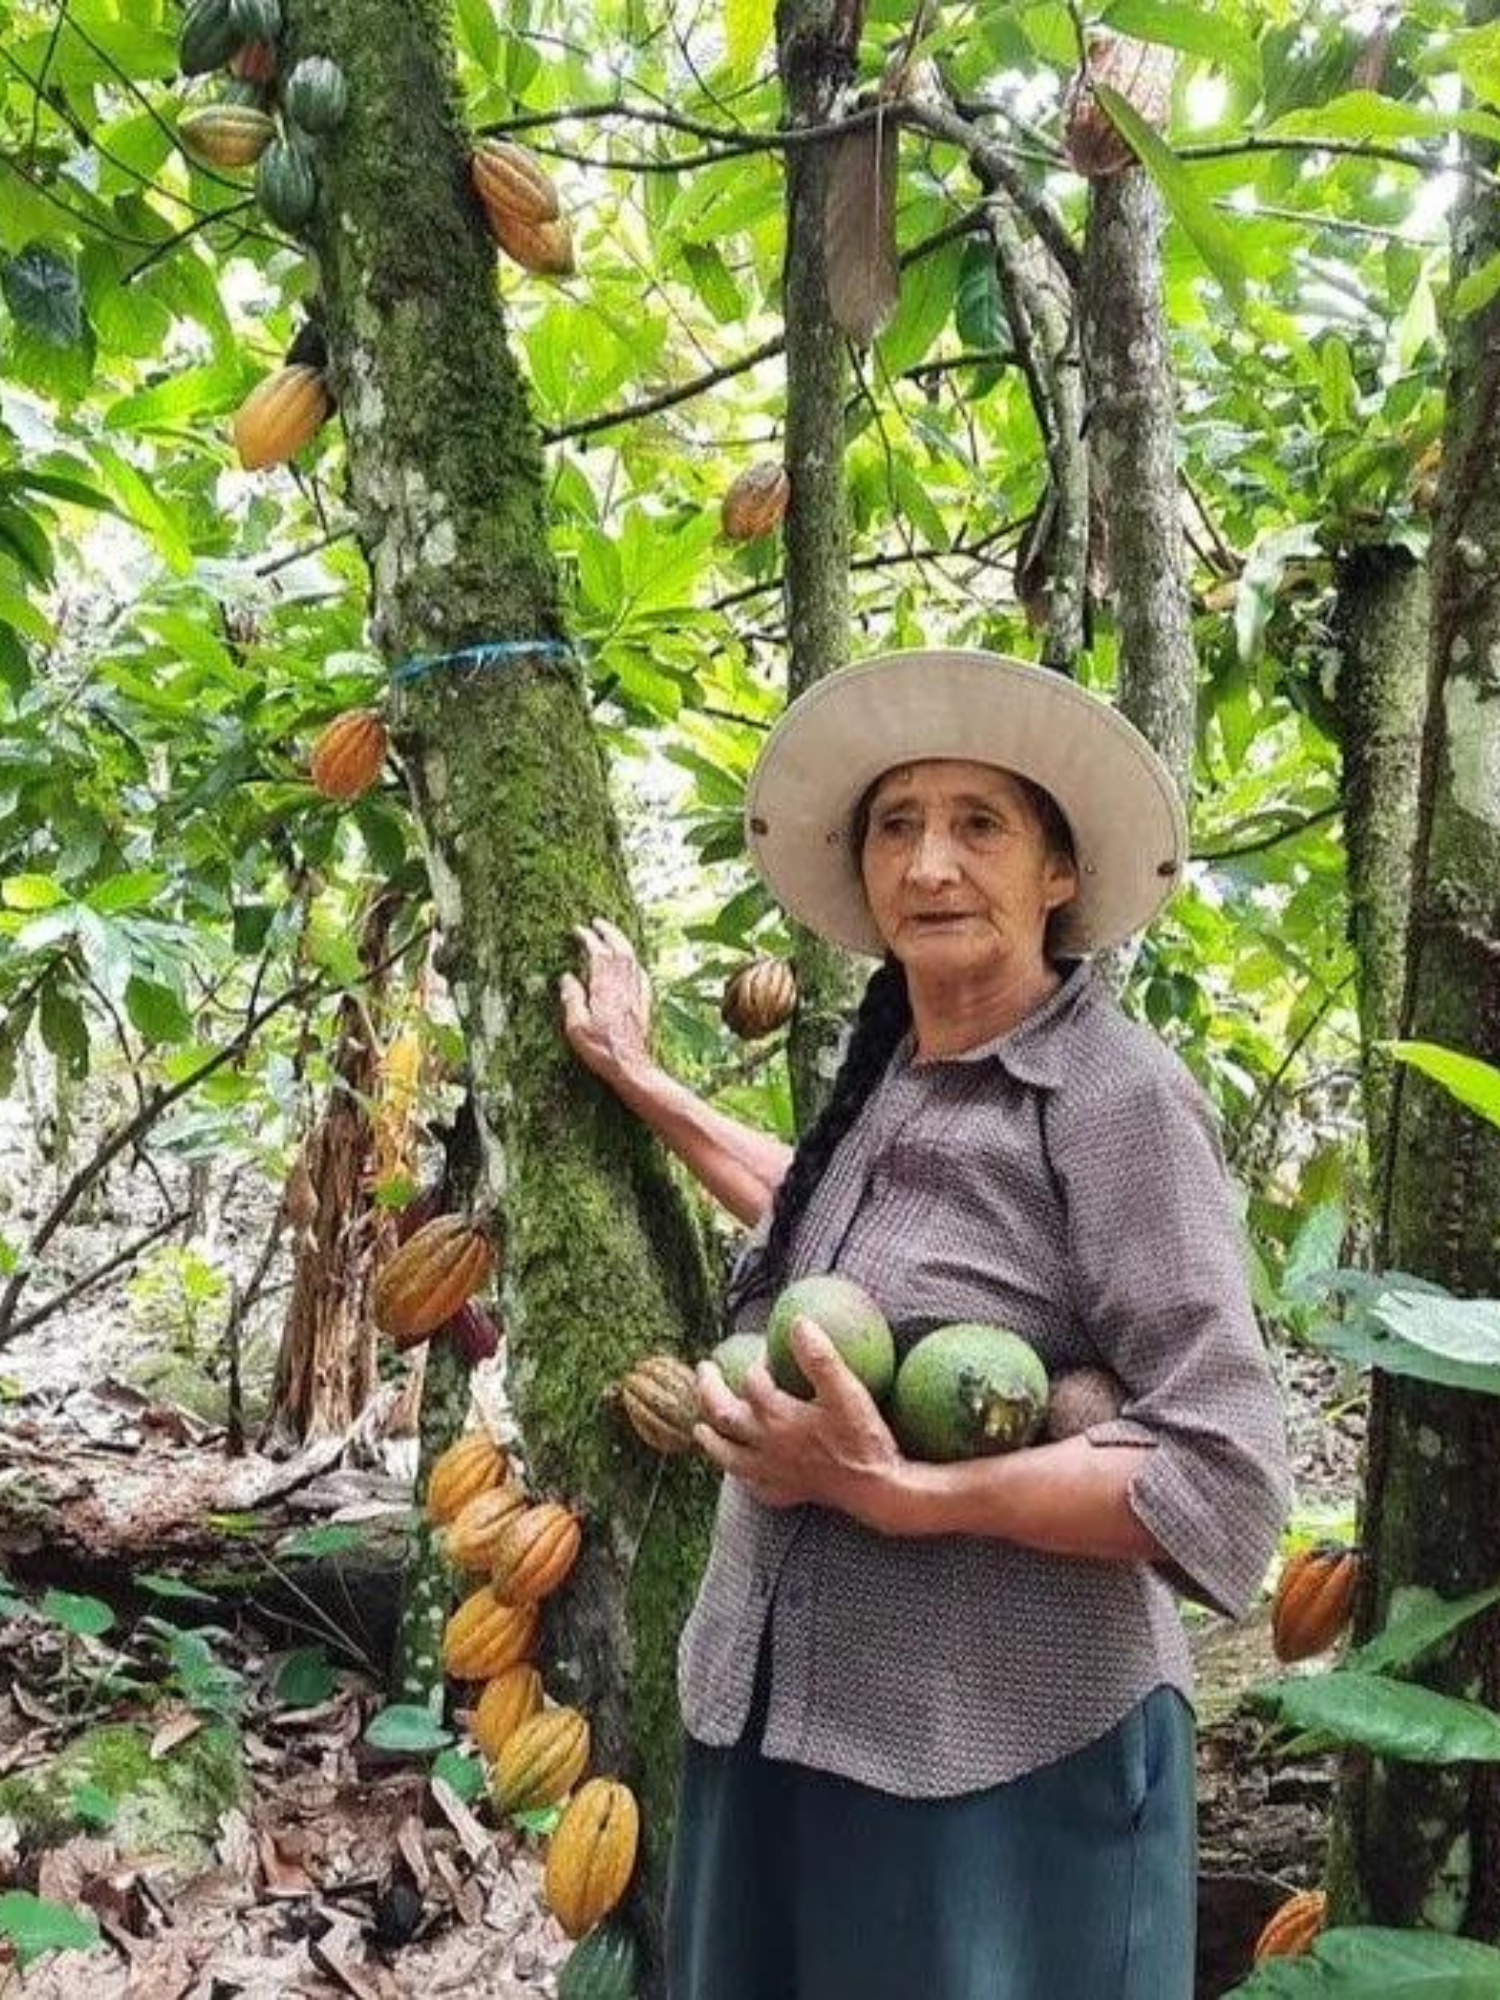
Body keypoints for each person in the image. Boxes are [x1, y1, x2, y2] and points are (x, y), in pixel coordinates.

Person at [559, 648, 1293, 2000]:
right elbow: (816, 1219)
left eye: (980, 825)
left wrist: (897, 1494)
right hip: (771, 1718)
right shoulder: (892, 1079)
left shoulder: (1114, 1097)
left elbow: (1224, 1478)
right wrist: (638, 1079)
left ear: (1058, 875)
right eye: (898, 825)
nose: (932, 865)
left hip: (995, 1764)